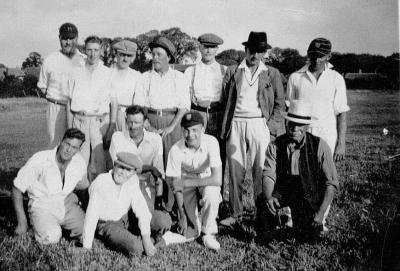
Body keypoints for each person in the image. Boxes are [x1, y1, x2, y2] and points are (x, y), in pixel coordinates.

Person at [219, 32, 285, 227]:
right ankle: (236, 213)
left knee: (260, 170)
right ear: (245, 50)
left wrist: (269, 127)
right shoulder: (233, 71)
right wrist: (227, 125)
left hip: (259, 124)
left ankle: (261, 213)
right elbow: (225, 101)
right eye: (252, 51)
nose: (255, 55)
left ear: (264, 53)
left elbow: (280, 105)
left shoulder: (272, 73)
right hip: (236, 124)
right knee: (235, 170)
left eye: (260, 52)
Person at [261, 100, 339, 236]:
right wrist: (269, 197)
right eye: (291, 124)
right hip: (284, 190)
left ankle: (311, 224)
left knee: (308, 236)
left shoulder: (320, 146)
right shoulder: (275, 145)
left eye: (300, 125)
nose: (295, 129)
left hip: (308, 193)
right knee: (264, 215)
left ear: (307, 126)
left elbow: (331, 184)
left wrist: (320, 214)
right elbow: (268, 175)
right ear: (286, 123)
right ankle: (275, 223)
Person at [12, 128, 88, 244]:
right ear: (60, 141)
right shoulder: (40, 159)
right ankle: (39, 225)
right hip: (42, 205)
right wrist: (22, 223)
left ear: (79, 149)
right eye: (67, 144)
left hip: (65, 203)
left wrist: (87, 212)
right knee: (51, 237)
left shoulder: (79, 163)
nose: (68, 150)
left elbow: (83, 188)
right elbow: (17, 189)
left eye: (74, 148)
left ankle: (61, 225)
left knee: (88, 231)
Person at [109, 105, 172, 237]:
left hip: (147, 189)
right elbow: (116, 171)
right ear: (125, 121)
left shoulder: (155, 139)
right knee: (116, 221)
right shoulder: (117, 137)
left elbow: (159, 173)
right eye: (130, 122)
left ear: (145, 122)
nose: (133, 126)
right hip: (124, 187)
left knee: (163, 223)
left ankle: (139, 223)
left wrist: (158, 198)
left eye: (137, 122)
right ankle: (128, 222)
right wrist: (148, 169)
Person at [166, 111, 222, 250]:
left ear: (203, 129)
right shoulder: (175, 149)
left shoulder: (212, 142)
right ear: (181, 130)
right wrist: (182, 215)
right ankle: (195, 224)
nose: (190, 135)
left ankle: (209, 232)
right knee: (191, 231)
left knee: (212, 194)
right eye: (186, 130)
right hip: (186, 179)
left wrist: (187, 183)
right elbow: (176, 185)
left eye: (195, 130)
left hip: (206, 177)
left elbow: (217, 179)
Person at [286, 37, 349, 161]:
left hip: (327, 135)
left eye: (321, 56)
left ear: (328, 56)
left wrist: (341, 144)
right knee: (300, 176)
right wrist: (289, 138)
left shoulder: (336, 79)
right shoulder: (295, 78)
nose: (316, 59)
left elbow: (342, 114)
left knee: (325, 176)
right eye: (313, 55)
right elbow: (289, 111)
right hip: (301, 134)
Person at [82, 152, 156, 256]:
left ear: (134, 172)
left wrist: (146, 239)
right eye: (121, 167)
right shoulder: (101, 182)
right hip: (107, 223)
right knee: (136, 248)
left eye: (128, 170)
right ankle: (161, 240)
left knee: (163, 221)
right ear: (114, 165)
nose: (122, 173)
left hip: (126, 218)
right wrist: (86, 246)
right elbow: (91, 215)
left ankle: (148, 240)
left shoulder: (133, 180)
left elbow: (141, 208)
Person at [66, 35, 118, 182]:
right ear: (84, 50)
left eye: (96, 50)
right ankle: (80, 196)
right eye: (89, 50)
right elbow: (69, 102)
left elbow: (114, 103)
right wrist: (70, 128)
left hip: (99, 122)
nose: (92, 54)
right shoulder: (75, 71)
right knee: (78, 161)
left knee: (99, 163)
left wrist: (111, 128)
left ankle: (98, 197)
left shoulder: (108, 72)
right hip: (80, 120)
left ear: (101, 50)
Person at [133, 36, 190, 167]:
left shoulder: (179, 78)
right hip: (149, 122)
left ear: (169, 57)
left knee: (172, 163)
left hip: (173, 124)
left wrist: (171, 127)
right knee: (150, 163)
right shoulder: (144, 78)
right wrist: (148, 126)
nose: (155, 58)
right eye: (153, 54)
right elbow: (138, 105)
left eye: (159, 54)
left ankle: (171, 188)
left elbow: (184, 106)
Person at [184, 33, 227, 195]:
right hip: (197, 114)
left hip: (217, 115)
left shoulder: (224, 70)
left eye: (212, 47)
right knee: (196, 154)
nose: (208, 51)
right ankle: (195, 194)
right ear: (199, 48)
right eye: (205, 47)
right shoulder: (191, 71)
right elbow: (187, 98)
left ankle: (217, 196)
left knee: (217, 156)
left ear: (217, 50)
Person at [37, 23, 86, 148]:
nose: (68, 42)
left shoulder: (84, 60)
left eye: (71, 38)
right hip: (56, 108)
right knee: (55, 145)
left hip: (79, 110)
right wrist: (55, 100)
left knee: (79, 145)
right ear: (59, 38)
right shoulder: (50, 60)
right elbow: (42, 87)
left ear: (76, 38)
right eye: (65, 38)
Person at [110, 39, 141, 132]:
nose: (125, 59)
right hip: (109, 116)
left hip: (129, 117)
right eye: (122, 55)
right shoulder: (107, 73)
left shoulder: (137, 76)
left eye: (129, 56)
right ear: (116, 54)